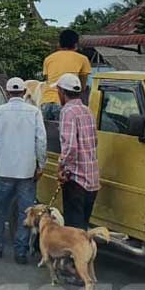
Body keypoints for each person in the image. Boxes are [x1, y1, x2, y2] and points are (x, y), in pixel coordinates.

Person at [0, 77, 47, 264]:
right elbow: (41, 141)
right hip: (27, 172)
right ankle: (21, 251)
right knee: (25, 213)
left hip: (3, 170)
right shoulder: (34, 112)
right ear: (24, 91)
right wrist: (41, 164)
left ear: (8, 91)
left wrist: (0, 155)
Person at [56, 73, 100, 231]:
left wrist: (62, 166)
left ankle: (74, 256)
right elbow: (94, 141)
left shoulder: (68, 111)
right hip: (92, 179)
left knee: (73, 231)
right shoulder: (87, 111)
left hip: (76, 180)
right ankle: (84, 255)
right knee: (82, 228)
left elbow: (70, 147)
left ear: (62, 92)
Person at [40, 29, 92, 121]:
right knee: (66, 133)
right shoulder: (83, 59)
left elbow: (48, 81)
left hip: (46, 102)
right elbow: (82, 87)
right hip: (65, 104)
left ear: (59, 44)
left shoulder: (48, 59)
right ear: (76, 44)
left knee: (48, 134)